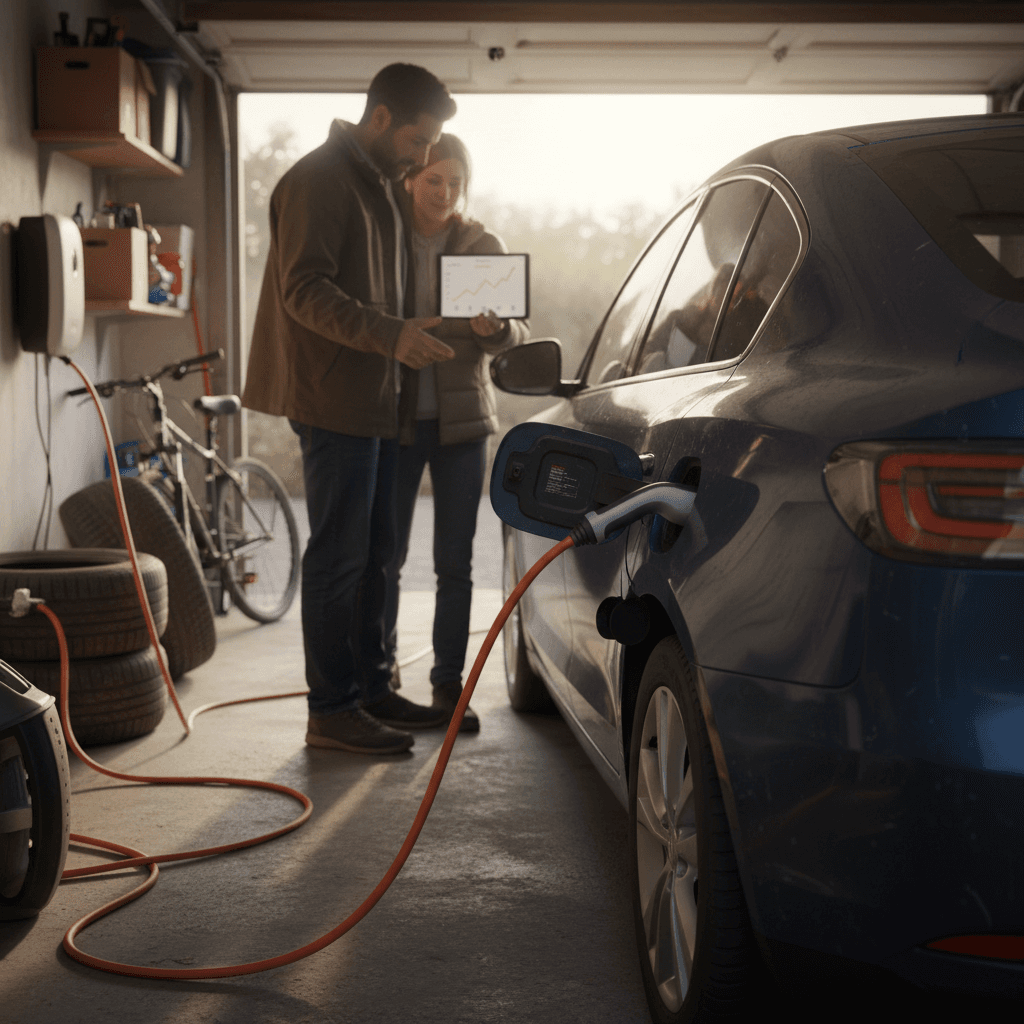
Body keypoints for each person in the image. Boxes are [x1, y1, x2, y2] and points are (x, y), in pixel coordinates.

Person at [241, 64, 459, 756]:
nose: (424, 159)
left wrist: (412, 328)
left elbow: (368, 293)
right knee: (339, 558)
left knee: (370, 557)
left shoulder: (377, 186)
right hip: (332, 397)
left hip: (373, 399)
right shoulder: (319, 181)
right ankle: (331, 710)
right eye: (419, 140)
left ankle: (369, 691)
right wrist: (393, 334)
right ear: (380, 117)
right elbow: (302, 290)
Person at [383, 133, 529, 733]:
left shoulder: (480, 243)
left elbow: (515, 335)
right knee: (383, 559)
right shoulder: (383, 236)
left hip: (462, 425)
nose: (443, 193)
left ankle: (449, 687)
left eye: (455, 183)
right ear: (412, 178)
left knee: (454, 562)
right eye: (433, 179)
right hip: (391, 420)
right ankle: (380, 679)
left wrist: (494, 329)